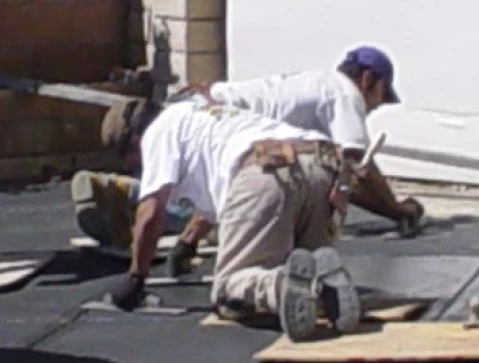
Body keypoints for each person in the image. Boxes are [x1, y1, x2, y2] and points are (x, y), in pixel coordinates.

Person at [70, 44, 423, 266]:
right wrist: (398, 210)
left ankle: (130, 203)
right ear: (367, 79)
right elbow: (357, 168)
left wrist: (188, 244)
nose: (376, 106)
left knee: (203, 186)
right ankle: (128, 199)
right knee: (201, 200)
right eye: (380, 95)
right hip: (219, 120)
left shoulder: (317, 84)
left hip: (207, 105)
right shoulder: (344, 94)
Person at [106, 100, 364, 341]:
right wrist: (187, 243)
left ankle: (280, 284)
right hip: (324, 167)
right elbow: (213, 201)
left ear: (134, 141)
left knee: (230, 289)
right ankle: (326, 284)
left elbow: (150, 212)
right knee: (304, 265)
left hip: (267, 171)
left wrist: (136, 277)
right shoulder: (199, 114)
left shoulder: (157, 133)